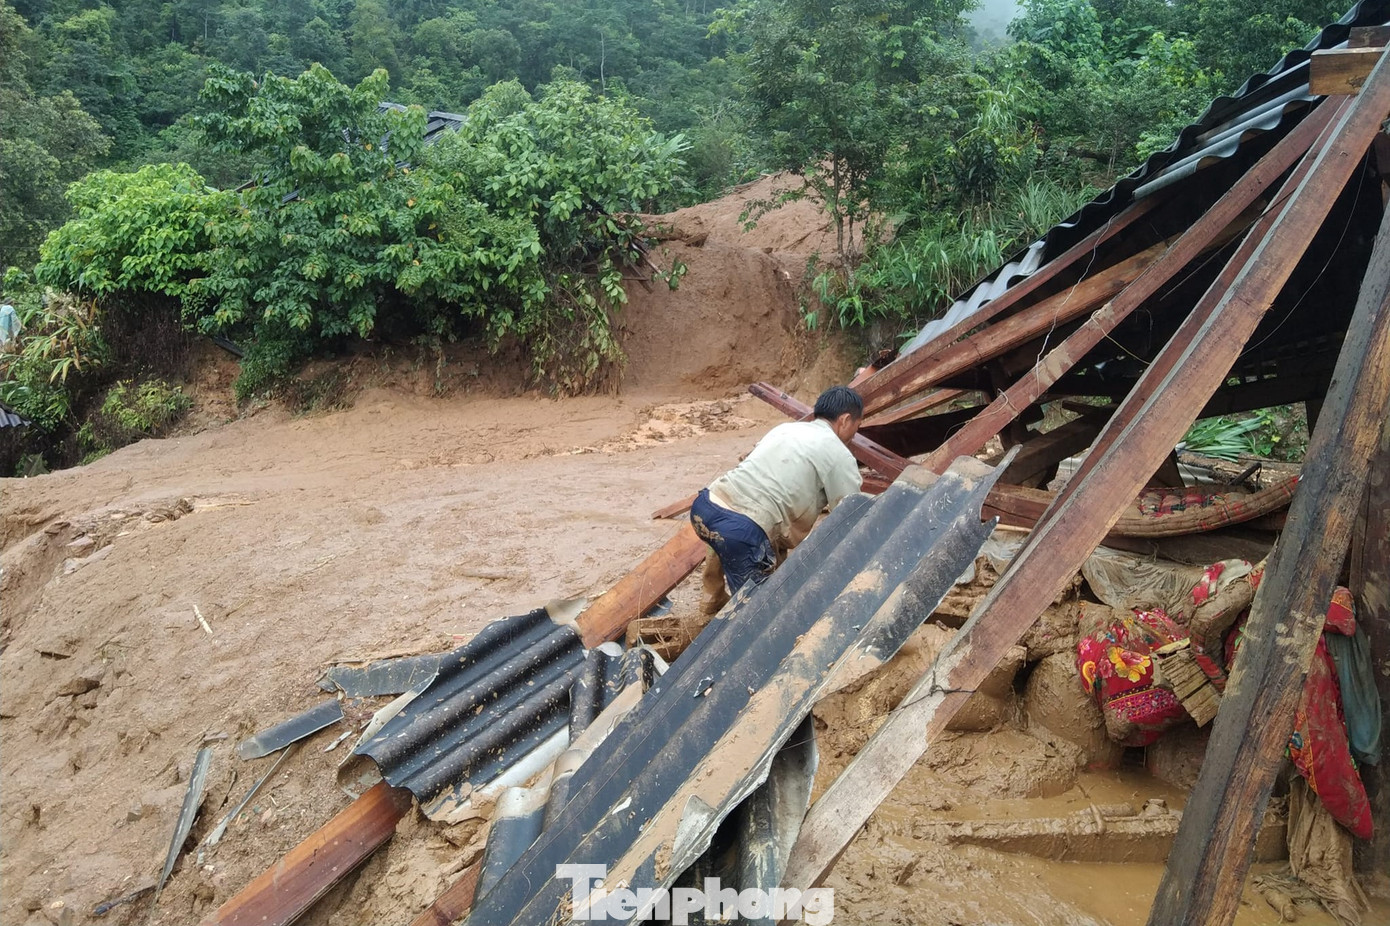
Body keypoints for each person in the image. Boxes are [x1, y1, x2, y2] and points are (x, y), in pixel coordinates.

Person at [690, 385, 863, 605]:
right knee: (757, 609)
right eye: (858, 426)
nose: (855, 435)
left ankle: (711, 599)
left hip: (706, 506)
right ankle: (740, 629)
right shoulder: (839, 454)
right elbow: (850, 513)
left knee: (734, 528)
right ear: (846, 420)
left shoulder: (785, 429)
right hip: (742, 529)